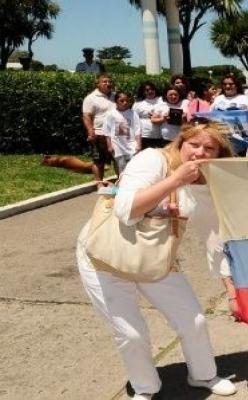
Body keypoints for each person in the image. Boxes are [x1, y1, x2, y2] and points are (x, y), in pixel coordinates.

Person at [76, 122, 238, 400]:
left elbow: (215, 242)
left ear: (218, 155)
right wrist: (175, 180)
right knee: (131, 333)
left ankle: (203, 375)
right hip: (106, 255)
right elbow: (126, 210)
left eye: (209, 148)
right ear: (180, 143)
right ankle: (144, 388)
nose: (199, 152)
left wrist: (231, 292)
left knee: (194, 319)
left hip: (156, 256)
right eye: (194, 145)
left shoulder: (207, 188)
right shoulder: (153, 160)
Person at [82, 73, 115, 182]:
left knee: (118, 159)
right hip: (99, 134)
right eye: (105, 82)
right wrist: (91, 132)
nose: (108, 84)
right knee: (98, 161)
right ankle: (99, 183)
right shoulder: (91, 98)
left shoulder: (115, 96)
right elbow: (87, 116)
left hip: (116, 134)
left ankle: (121, 181)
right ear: (98, 84)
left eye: (109, 81)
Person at [103, 91, 142, 173]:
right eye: (122, 101)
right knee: (121, 167)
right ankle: (120, 182)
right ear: (116, 101)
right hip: (117, 145)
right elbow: (107, 131)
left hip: (131, 144)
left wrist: (138, 144)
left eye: (127, 101)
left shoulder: (133, 113)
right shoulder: (111, 114)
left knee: (133, 166)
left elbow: (137, 129)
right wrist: (109, 145)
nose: (125, 103)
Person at [133, 81, 166, 150]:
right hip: (144, 136)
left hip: (159, 136)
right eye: (147, 90)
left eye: (152, 89)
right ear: (143, 92)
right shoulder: (138, 103)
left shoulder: (162, 100)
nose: (150, 91)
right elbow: (134, 121)